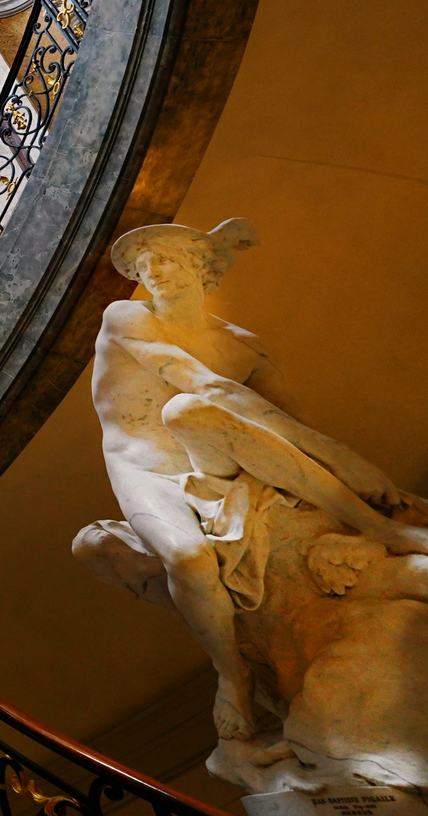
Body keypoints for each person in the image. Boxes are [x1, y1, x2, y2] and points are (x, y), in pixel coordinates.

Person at [90, 220, 428, 740]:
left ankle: (379, 530)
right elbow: (200, 382)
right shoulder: (126, 316)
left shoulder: (243, 346)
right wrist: (343, 457)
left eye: (165, 259)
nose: (150, 272)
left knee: (187, 413)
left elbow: (295, 423)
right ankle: (233, 675)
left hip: (211, 456)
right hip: (147, 468)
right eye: (142, 265)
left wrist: (365, 478)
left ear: (201, 267)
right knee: (187, 558)